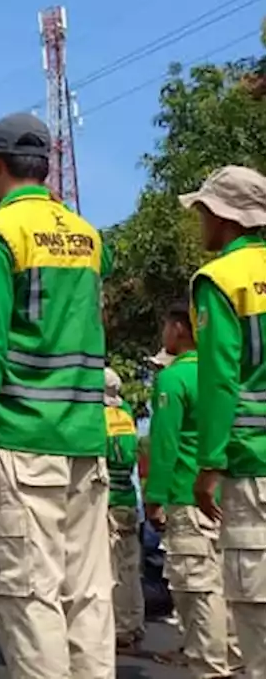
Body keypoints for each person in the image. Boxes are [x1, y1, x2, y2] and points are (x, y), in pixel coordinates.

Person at [0, 113, 113, 678]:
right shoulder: (88, 238)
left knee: (28, 598)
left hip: (22, 444)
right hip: (84, 444)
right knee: (88, 596)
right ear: (45, 167)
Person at [182, 166, 267, 678]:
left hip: (252, 458)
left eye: (202, 211)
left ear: (223, 217)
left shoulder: (218, 280)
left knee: (255, 612)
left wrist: (209, 464)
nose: (199, 222)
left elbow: (219, 379)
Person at [145, 298, 239, 676]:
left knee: (196, 591)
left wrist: (154, 498)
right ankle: (235, 660)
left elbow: (164, 446)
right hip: (228, 493)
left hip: (187, 496)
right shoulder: (226, 372)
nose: (164, 335)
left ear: (180, 329)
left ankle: (209, 666)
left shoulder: (174, 378)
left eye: (166, 327)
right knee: (230, 588)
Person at [104, 367, 145, 652]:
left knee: (112, 568)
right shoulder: (126, 412)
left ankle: (119, 629)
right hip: (129, 497)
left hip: (107, 498)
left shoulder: (96, 415)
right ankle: (133, 624)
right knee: (131, 568)